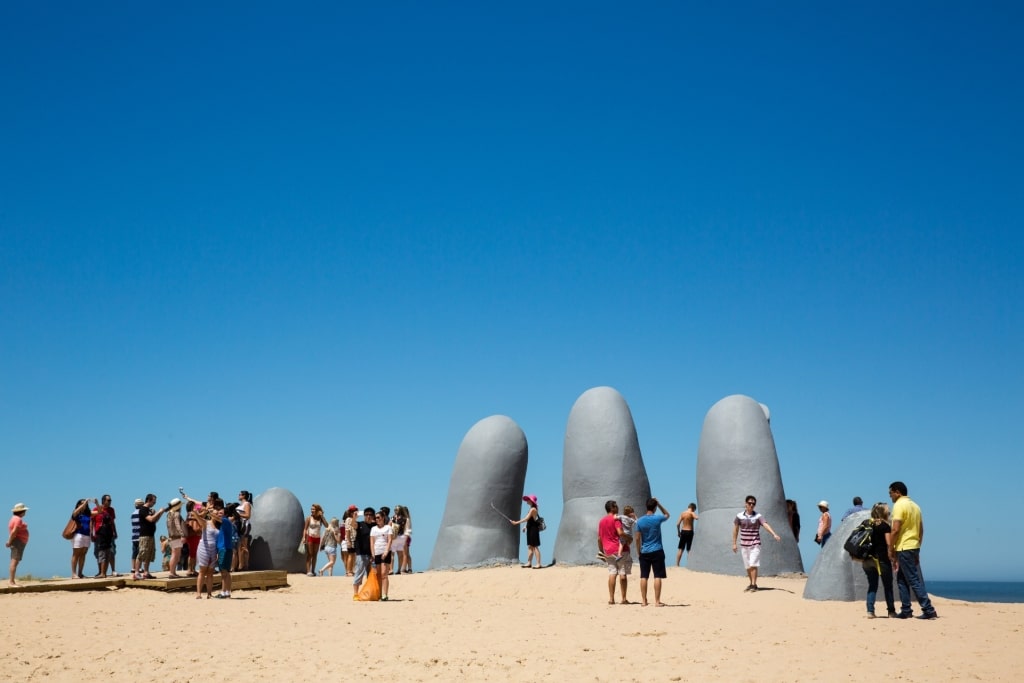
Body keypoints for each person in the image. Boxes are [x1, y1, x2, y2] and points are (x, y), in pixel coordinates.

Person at [888, 481, 938, 619]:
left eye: (890, 493)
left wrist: (890, 549)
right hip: (914, 546)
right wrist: (918, 547)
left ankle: (928, 609)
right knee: (901, 580)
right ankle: (906, 610)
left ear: (897, 492)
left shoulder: (899, 505)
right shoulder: (916, 506)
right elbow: (921, 529)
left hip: (904, 547)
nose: (890, 497)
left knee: (913, 580)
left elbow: (895, 529)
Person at [732, 495, 782, 592]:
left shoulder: (758, 516)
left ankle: (754, 585)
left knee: (753, 564)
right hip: (744, 544)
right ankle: (751, 583)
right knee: (747, 566)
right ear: (745, 504)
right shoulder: (739, 516)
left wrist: (774, 534)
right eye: (750, 503)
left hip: (755, 544)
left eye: (753, 504)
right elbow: (735, 529)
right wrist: (734, 543)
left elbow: (765, 525)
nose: (751, 505)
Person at [862, 502, 897, 618]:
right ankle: (891, 611)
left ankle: (870, 611)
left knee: (872, 585)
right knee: (888, 585)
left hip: (867, 559)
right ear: (883, 512)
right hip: (881, 559)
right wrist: (893, 556)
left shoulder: (868, 524)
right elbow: (888, 543)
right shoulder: (884, 526)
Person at [635, 497, 670, 607]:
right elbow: (667, 515)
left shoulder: (639, 521)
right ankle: (657, 601)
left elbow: (637, 538)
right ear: (654, 508)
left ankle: (644, 601)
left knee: (644, 576)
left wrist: (638, 551)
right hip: (657, 550)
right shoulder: (657, 518)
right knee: (657, 576)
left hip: (644, 551)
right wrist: (659, 504)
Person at [597, 500, 630, 604]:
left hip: (608, 551)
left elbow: (599, 538)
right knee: (622, 573)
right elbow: (620, 532)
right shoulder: (616, 519)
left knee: (612, 573)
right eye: (616, 506)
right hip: (620, 550)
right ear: (612, 508)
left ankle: (611, 599)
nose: (618, 507)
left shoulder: (601, 521)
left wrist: (601, 550)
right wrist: (628, 537)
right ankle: (624, 599)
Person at [135, 494, 167, 580]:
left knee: (149, 554)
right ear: (149, 500)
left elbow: (155, 520)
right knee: (142, 553)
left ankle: (146, 572)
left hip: (150, 535)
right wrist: (158, 512)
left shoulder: (149, 510)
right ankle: (136, 572)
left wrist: (160, 513)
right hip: (144, 535)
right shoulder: (143, 509)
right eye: (153, 502)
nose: (154, 503)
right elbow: (151, 519)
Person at [193, 498, 219, 599]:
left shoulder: (219, 526)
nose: (216, 515)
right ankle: (198, 593)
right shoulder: (206, 522)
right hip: (204, 547)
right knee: (202, 570)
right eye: (214, 513)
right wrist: (203, 509)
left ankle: (209, 593)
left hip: (214, 549)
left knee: (210, 572)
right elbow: (195, 514)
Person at [511, 494, 542, 569]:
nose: (527, 501)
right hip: (530, 529)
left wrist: (516, 523)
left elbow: (526, 519)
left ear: (531, 501)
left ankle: (538, 564)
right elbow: (530, 520)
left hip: (534, 529)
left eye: (528, 499)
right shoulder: (531, 508)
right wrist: (525, 526)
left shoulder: (533, 509)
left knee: (535, 547)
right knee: (530, 546)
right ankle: (529, 562)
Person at [370, 509, 394, 601]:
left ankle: (385, 594)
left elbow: (390, 540)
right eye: (375, 518)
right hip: (376, 552)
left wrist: (386, 552)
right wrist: (372, 554)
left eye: (378, 517)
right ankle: (379, 594)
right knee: (378, 575)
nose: (377, 519)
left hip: (385, 552)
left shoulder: (388, 528)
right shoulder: (373, 529)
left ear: (383, 518)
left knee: (384, 574)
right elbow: (372, 542)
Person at [91, 495, 117, 578]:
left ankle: (112, 570)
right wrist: (91, 533)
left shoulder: (111, 510)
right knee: (99, 552)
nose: (110, 502)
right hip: (99, 534)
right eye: (108, 500)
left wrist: (115, 531)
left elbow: (112, 521)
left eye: (110, 500)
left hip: (109, 533)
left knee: (110, 552)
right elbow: (92, 522)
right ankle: (101, 572)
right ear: (104, 501)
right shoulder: (96, 510)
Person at [352, 507, 375, 597]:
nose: (368, 516)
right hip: (361, 553)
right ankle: (355, 593)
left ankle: (369, 592)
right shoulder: (360, 524)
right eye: (366, 514)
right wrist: (354, 517)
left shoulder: (375, 526)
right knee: (359, 573)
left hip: (372, 554)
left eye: (370, 514)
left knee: (371, 574)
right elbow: (353, 525)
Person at [215, 501, 236, 598]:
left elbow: (216, 518)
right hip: (225, 548)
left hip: (224, 548)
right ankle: (227, 592)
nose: (219, 514)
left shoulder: (226, 521)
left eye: (221, 513)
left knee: (224, 571)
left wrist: (207, 512)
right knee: (226, 572)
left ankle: (224, 592)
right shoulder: (226, 523)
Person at [68, 498, 93, 579]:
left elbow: (99, 511)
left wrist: (96, 503)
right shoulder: (77, 513)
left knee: (83, 554)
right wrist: (83, 504)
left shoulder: (87, 513)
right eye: (81, 503)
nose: (84, 505)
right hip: (78, 535)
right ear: (78, 504)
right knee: (76, 554)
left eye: (85, 504)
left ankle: (80, 573)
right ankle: (73, 573)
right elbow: (74, 514)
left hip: (86, 535)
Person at [7, 503, 29, 587]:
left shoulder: (14, 518)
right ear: (22, 511)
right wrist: (9, 541)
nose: (25, 512)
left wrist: (9, 541)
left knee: (15, 561)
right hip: (18, 542)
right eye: (25, 511)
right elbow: (14, 532)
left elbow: (12, 531)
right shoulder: (18, 520)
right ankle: (11, 582)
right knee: (14, 561)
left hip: (17, 541)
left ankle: (12, 581)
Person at [302, 504, 327, 577]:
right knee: (310, 554)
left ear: (317, 510)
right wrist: (304, 537)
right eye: (311, 509)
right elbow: (305, 529)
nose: (312, 510)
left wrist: (322, 516)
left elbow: (327, 525)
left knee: (315, 555)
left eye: (313, 509)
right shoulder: (309, 518)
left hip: (317, 537)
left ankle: (313, 570)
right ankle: (308, 571)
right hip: (310, 537)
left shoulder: (320, 519)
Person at [165, 498, 186, 578]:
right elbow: (178, 525)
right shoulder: (176, 514)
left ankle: (172, 572)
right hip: (176, 536)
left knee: (174, 554)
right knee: (176, 555)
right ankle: (172, 572)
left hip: (171, 536)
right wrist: (182, 535)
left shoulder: (169, 514)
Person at [234, 490, 252, 571]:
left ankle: (245, 565)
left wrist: (237, 514)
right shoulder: (240, 505)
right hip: (238, 526)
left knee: (243, 546)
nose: (238, 495)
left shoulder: (246, 504)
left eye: (240, 494)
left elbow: (248, 515)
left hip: (244, 525)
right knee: (239, 546)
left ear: (244, 496)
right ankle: (240, 564)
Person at [184, 501, 202, 577]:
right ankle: (191, 569)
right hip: (194, 534)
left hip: (190, 535)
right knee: (193, 554)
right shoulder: (193, 513)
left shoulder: (188, 514)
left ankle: (191, 569)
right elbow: (201, 509)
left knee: (192, 553)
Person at [390, 505, 409, 575]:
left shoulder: (404, 519)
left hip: (400, 537)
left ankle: (398, 569)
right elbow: (389, 526)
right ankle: (392, 569)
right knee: (393, 554)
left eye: (396, 509)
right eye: (395, 509)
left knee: (399, 554)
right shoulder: (393, 518)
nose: (395, 511)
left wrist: (405, 538)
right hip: (395, 537)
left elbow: (407, 529)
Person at [342, 506, 358, 576]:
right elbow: (347, 530)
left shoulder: (352, 519)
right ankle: (348, 571)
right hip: (351, 539)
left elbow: (355, 527)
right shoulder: (348, 519)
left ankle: (351, 570)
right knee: (350, 555)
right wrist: (348, 541)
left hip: (354, 539)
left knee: (353, 555)